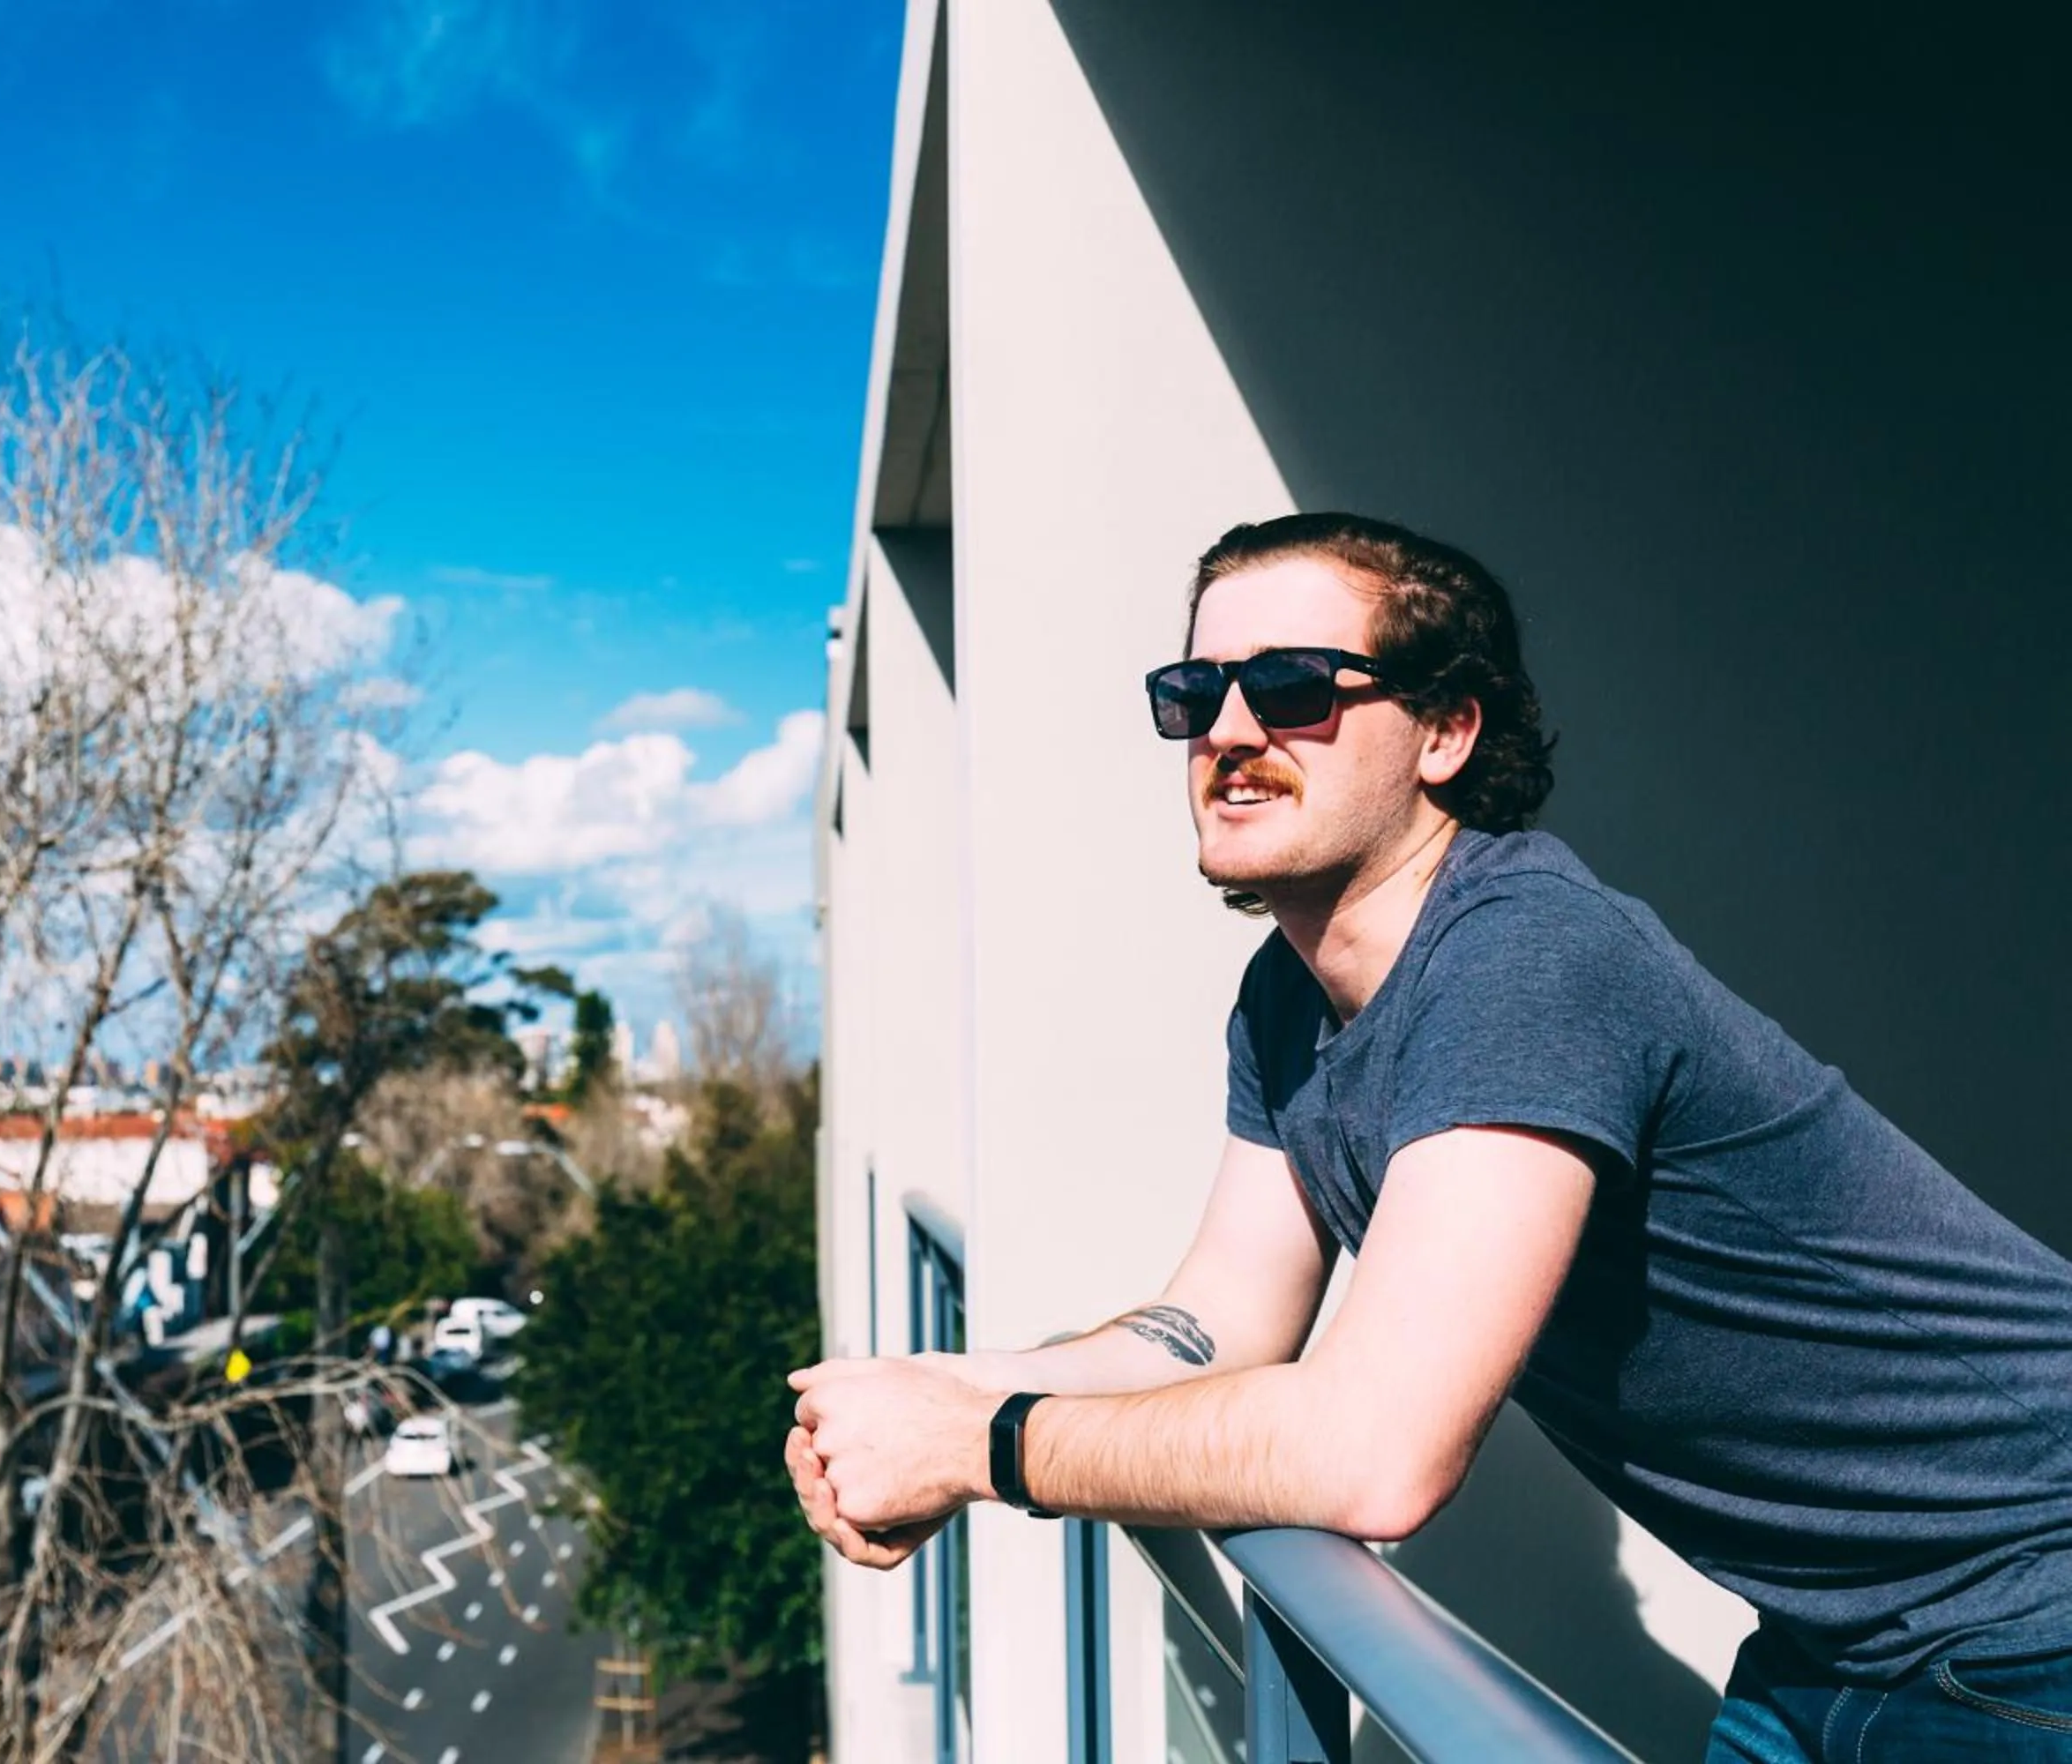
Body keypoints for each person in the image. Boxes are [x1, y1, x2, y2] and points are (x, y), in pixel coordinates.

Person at [783, 512, 2072, 1760]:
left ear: (1448, 729)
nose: (1229, 730)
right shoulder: (1291, 996)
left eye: (1292, 687)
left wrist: (984, 1449)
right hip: (1837, 1636)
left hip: (2034, 1610)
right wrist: (938, 1389)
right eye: (1195, 690)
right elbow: (1218, 1324)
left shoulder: (1527, 958)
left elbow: (1375, 1456)